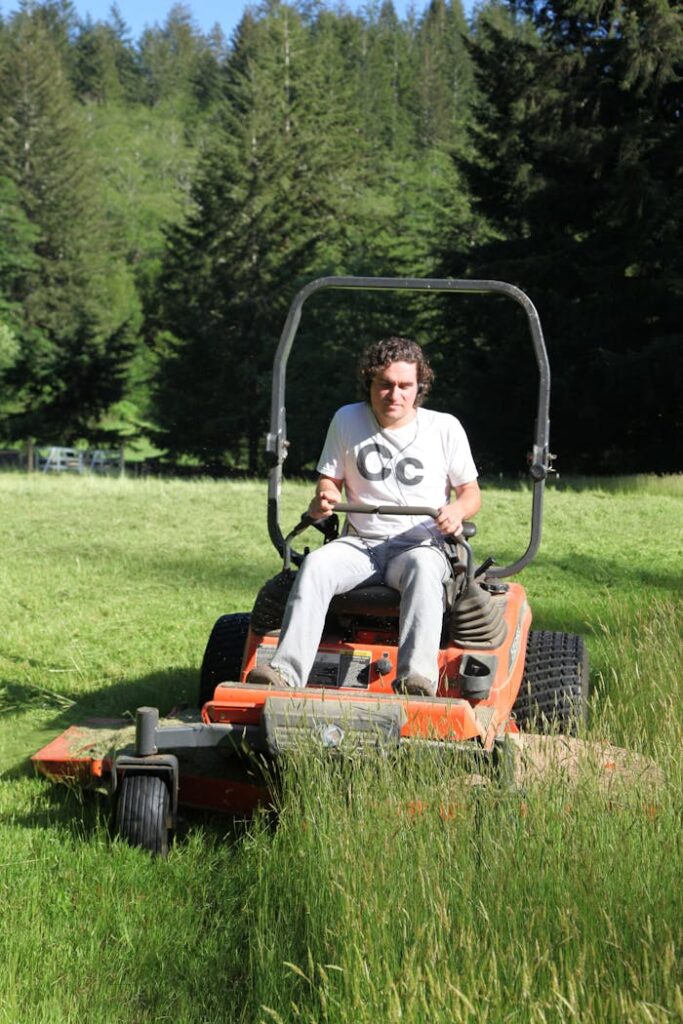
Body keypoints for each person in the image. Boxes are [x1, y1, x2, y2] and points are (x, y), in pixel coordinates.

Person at [248, 336, 481, 696]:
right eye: (385, 385)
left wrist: (456, 510)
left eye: (405, 386)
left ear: (419, 388)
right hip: (361, 544)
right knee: (315, 566)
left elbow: (470, 494)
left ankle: (416, 679)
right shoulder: (347, 419)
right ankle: (284, 672)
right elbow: (330, 480)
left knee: (425, 569)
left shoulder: (444, 428)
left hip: (417, 544)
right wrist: (325, 497)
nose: (394, 395)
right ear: (369, 383)